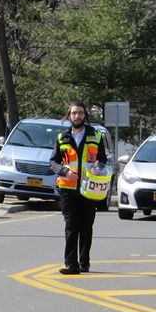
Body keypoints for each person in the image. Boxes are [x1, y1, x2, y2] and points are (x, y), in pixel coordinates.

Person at [50, 101, 109, 275]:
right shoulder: (62, 138)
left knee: (86, 226)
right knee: (71, 226)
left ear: (85, 115)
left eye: (81, 113)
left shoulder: (95, 135)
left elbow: (103, 159)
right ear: (69, 116)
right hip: (68, 189)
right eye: (74, 113)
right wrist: (64, 171)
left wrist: (98, 167)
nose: (78, 116)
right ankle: (71, 264)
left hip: (89, 189)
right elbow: (52, 162)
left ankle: (84, 262)